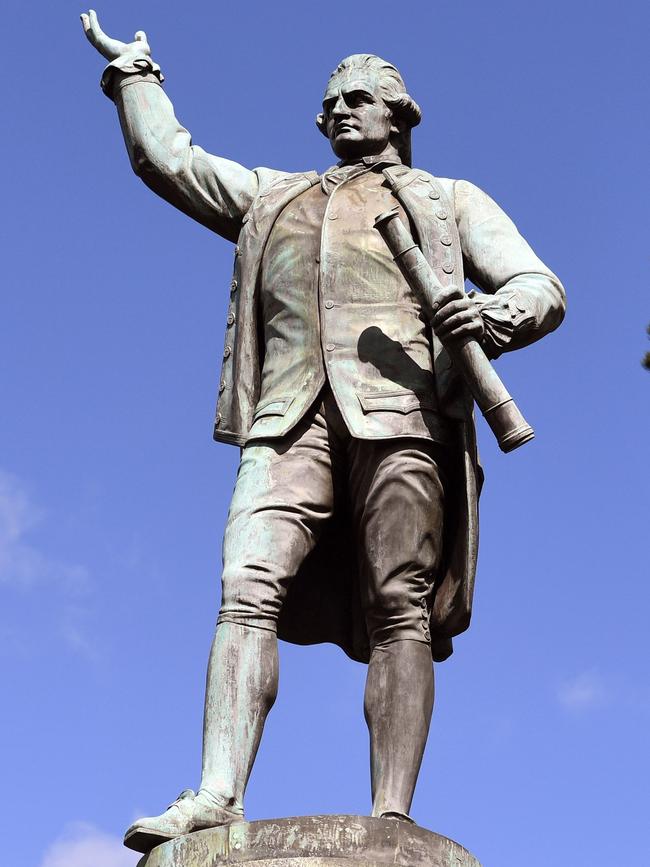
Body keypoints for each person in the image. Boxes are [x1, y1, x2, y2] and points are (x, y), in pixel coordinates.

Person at [81, 10, 566, 854]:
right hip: (288, 417)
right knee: (244, 584)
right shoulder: (276, 194)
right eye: (331, 101)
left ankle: (391, 812)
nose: (341, 110)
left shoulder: (449, 203)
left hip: (404, 415)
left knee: (399, 607)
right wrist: (136, 78)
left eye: (361, 98)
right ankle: (214, 793)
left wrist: (493, 311)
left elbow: (541, 284)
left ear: (400, 114)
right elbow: (173, 162)